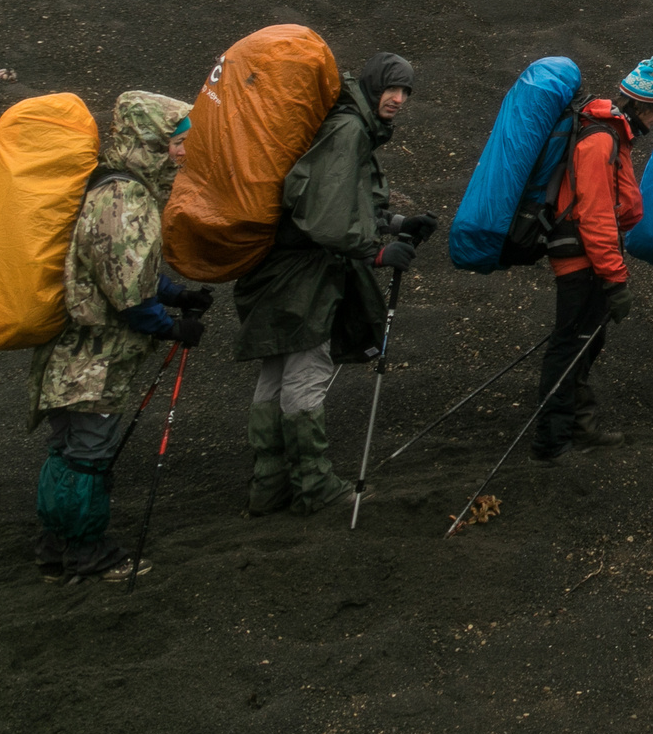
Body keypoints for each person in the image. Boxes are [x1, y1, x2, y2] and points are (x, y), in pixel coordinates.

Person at [235, 52, 431, 515]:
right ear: (373, 85)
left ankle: (270, 485)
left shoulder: (343, 123)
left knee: (276, 372)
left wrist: (394, 221)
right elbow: (326, 218)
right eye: (393, 88)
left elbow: (337, 197)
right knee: (306, 373)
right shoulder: (348, 130)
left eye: (406, 92)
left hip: (275, 270)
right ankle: (314, 484)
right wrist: (377, 253)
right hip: (306, 276)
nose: (399, 99)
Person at [29, 90, 209, 577]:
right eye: (177, 139)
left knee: (66, 452)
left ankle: (54, 548)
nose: (184, 149)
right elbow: (128, 294)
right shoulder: (124, 196)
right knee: (88, 456)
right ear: (150, 138)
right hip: (95, 359)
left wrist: (175, 294)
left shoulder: (117, 188)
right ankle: (88, 553)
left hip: (74, 355)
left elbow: (121, 267)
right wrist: (172, 326)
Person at [532, 53, 653, 463]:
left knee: (584, 343)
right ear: (641, 105)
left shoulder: (611, 135)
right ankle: (551, 443)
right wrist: (614, 278)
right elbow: (594, 214)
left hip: (585, 257)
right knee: (569, 347)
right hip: (581, 261)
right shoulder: (600, 140)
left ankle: (579, 426)